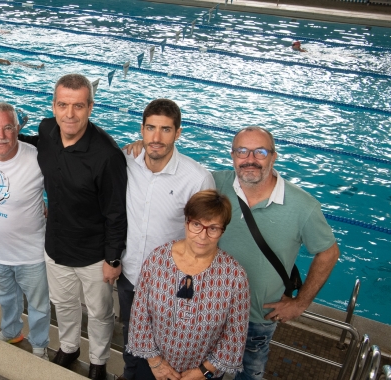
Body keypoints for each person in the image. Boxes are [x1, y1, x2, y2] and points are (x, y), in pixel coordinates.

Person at [20, 73, 127, 380]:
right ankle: (69, 348)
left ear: (90, 108)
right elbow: (37, 145)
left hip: (94, 254)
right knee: (64, 304)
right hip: (55, 245)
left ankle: (98, 360)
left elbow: (116, 214)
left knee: (99, 312)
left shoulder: (107, 156)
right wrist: (1, 137)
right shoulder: (47, 129)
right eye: (63, 105)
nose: (70, 114)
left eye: (78, 106)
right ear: (53, 106)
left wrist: (112, 259)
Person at [214, 126, 340, 380]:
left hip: (258, 317)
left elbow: (329, 253)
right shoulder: (215, 184)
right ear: (232, 155)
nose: (250, 159)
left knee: (249, 374)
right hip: (211, 308)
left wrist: (300, 304)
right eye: (242, 151)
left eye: (260, 152)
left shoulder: (302, 206)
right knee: (203, 371)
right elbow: (172, 173)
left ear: (274, 156)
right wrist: (136, 149)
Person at [117, 99, 215, 380]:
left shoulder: (197, 179)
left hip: (171, 285)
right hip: (132, 274)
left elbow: (206, 239)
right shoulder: (126, 161)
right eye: (150, 128)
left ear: (178, 133)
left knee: (170, 351)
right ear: (142, 129)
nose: (156, 138)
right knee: (131, 341)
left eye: (165, 130)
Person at [126, 190, 250, 380]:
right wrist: (156, 363)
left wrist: (204, 371)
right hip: (153, 369)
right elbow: (139, 316)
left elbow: (235, 335)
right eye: (197, 225)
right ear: (186, 222)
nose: (203, 235)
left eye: (213, 228)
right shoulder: (157, 260)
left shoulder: (234, 276)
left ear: (222, 230)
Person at [0, 102, 50, 360]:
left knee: (39, 305)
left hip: (31, 253)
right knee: (6, 298)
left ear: (18, 128)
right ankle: (11, 332)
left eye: (8, 127)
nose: (1, 135)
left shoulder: (37, 157)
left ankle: (39, 344)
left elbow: (65, 187)